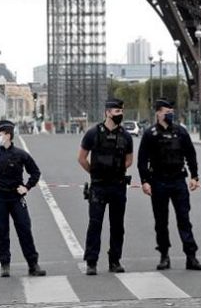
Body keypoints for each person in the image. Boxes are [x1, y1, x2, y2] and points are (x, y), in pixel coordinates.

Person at [0, 119, 46, 278]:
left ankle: (33, 265)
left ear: (8, 135)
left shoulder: (21, 155)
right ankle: (5, 264)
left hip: (16, 198)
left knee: (25, 230)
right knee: (2, 232)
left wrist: (27, 187)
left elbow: (35, 172)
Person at [137, 98, 201, 271]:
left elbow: (191, 155)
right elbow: (142, 160)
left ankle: (191, 256)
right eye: (167, 112)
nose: (170, 115)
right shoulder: (150, 134)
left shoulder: (181, 132)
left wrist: (195, 176)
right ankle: (164, 255)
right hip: (158, 181)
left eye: (171, 112)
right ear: (158, 113)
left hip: (178, 180)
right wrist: (144, 181)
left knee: (184, 219)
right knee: (161, 221)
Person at [78, 98, 134, 275]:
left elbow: (129, 160)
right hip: (99, 186)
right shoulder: (93, 133)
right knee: (95, 225)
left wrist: (115, 170)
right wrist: (95, 172)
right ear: (108, 112)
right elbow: (81, 158)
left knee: (117, 225)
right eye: (117, 111)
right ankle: (91, 262)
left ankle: (115, 260)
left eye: (121, 111)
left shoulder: (125, 136)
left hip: (117, 185)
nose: (120, 114)